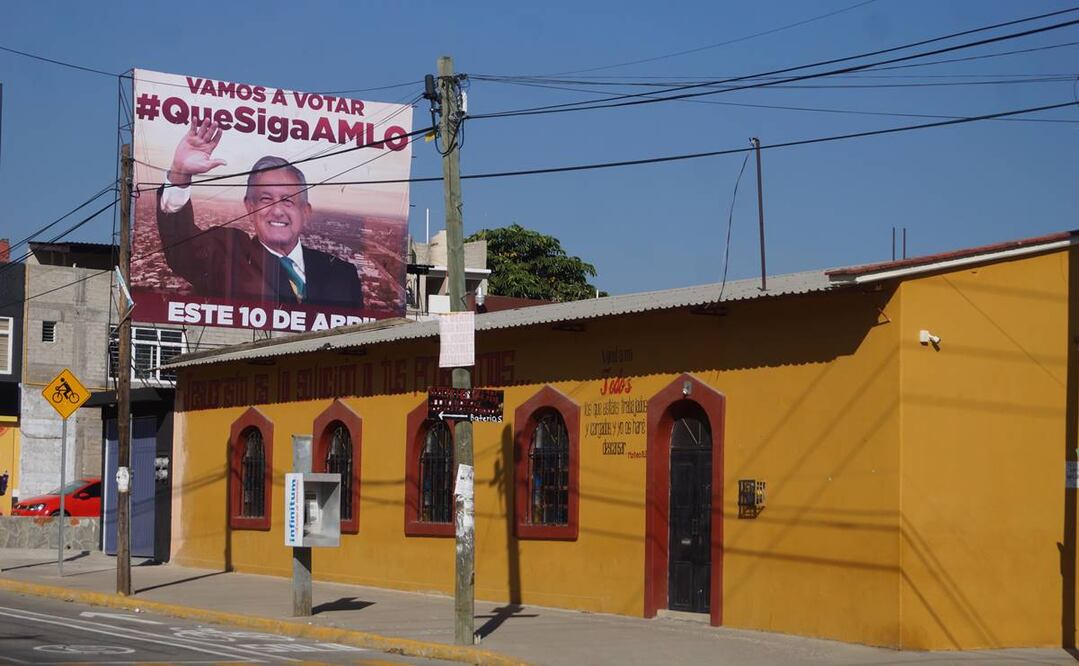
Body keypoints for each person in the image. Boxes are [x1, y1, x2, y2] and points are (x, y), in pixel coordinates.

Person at [156, 117, 363, 308]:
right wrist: (180, 174)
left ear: (306, 212)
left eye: (288, 201)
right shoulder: (227, 254)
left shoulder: (341, 273)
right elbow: (182, 247)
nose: (277, 211)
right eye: (266, 199)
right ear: (250, 207)